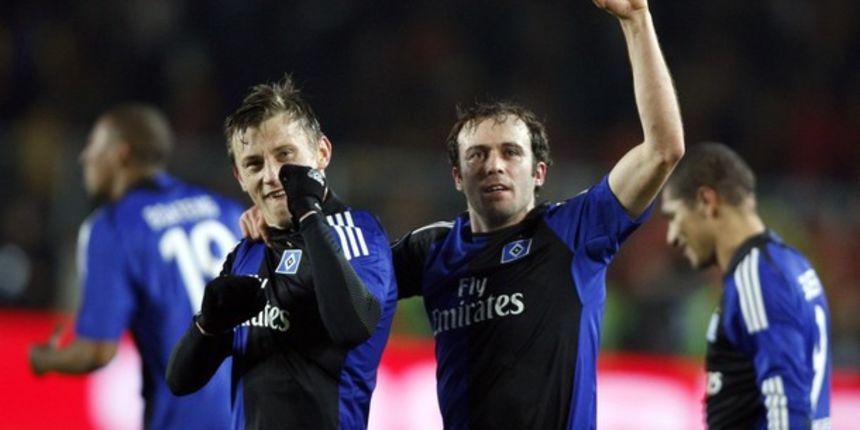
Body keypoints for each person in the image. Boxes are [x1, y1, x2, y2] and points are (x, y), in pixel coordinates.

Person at [241, 1, 682, 428]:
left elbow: (663, 150)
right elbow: (342, 280)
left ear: (539, 172)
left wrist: (637, 20)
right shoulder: (432, 250)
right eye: (477, 155)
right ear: (456, 175)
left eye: (511, 152)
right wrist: (277, 219)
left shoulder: (572, 231)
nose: (493, 165)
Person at [165, 75, 397, 430]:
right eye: (254, 164)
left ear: (322, 153)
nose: (272, 175)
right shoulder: (247, 251)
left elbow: (353, 325)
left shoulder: (355, 233)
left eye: (285, 155)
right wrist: (207, 327)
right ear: (240, 177)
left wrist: (307, 210)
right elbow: (181, 381)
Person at [28, 104, 242, 429]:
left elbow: (98, 351)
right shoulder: (225, 208)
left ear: (121, 154)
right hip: (252, 411)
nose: (85, 157)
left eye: (94, 145)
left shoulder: (113, 226)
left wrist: (45, 359)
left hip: (185, 417)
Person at [660, 142, 831, 429]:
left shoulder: (758, 276)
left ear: (706, 201)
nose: (672, 236)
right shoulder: (792, 264)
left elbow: (787, 406)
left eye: (674, 216)